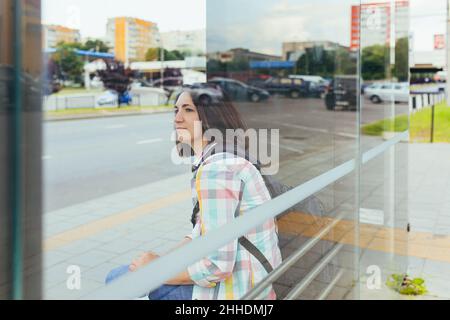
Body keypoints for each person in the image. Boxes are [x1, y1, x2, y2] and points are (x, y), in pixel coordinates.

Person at [105, 86, 282, 300]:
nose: (178, 118)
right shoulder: (223, 155)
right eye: (176, 110)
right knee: (125, 278)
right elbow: (201, 231)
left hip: (237, 291)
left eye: (188, 110)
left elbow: (217, 267)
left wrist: (155, 271)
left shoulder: (217, 169)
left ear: (211, 117)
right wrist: (160, 262)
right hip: (254, 280)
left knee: (116, 280)